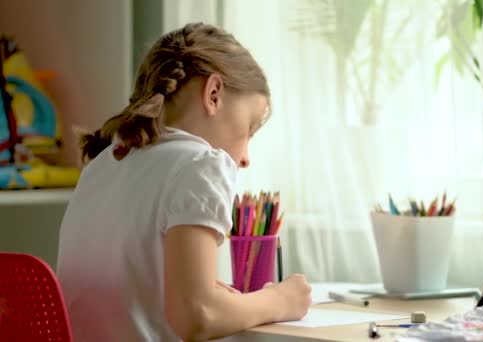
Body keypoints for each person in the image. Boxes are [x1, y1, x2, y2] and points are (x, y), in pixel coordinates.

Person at [57, 22, 312, 341]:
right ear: (214, 94)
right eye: (249, 129)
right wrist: (281, 300)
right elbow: (196, 316)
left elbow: (134, 293)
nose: (246, 157)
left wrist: (207, 296)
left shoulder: (104, 163)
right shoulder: (202, 164)